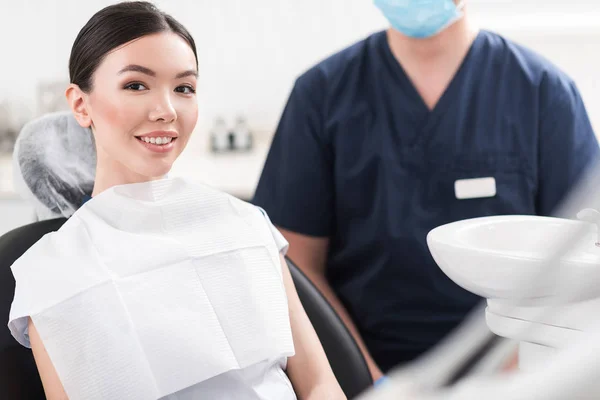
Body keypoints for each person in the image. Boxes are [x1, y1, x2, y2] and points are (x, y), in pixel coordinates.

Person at [7, 2, 346, 399]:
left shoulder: (247, 226)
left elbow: (321, 384)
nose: (166, 110)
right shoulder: (52, 275)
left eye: (184, 88)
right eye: (136, 85)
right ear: (81, 105)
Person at [252, 0, 600, 381]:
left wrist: (502, 381)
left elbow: (580, 265)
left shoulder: (543, 92)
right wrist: (371, 381)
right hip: (359, 367)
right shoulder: (321, 95)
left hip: (515, 368)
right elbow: (296, 265)